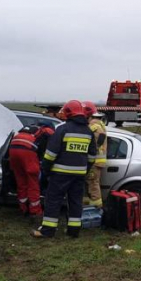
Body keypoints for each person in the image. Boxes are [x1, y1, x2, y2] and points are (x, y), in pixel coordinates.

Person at [31, 100, 97, 239]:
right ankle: (73, 231)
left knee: (53, 201)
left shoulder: (62, 129)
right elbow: (92, 156)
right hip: (79, 175)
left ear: (67, 112)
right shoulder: (88, 131)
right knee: (75, 202)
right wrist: (84, 170)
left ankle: (48, 231)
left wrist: (46, 170)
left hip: (60, 174)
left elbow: (50, 154)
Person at [8, 125, 44, 216]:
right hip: (28, 158)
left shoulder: (16, 137)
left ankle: (23, 207)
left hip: (13, 155)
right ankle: (35, 210)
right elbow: (41, 152)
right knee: (33, 184)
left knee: (21, 183)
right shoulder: (34, 138)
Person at [82, 101, 107, 207]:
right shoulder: (100, 125)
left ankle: (97, 208)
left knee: (93, 185)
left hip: (94, 161)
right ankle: (86, 207)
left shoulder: (93, 126)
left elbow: (92, 144)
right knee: (89, 184)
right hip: (97, 161)